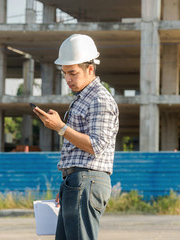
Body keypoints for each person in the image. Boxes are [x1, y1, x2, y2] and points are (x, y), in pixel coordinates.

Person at [33, 34, 119, 240]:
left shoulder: (99, 99)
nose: (68, 79)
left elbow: (96, 146)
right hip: (76, 181)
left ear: (90, 69)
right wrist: (67, 185)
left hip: (87, 180)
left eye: (72, 73)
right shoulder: (83, 98)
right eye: (64, 74)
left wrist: (61, 127)